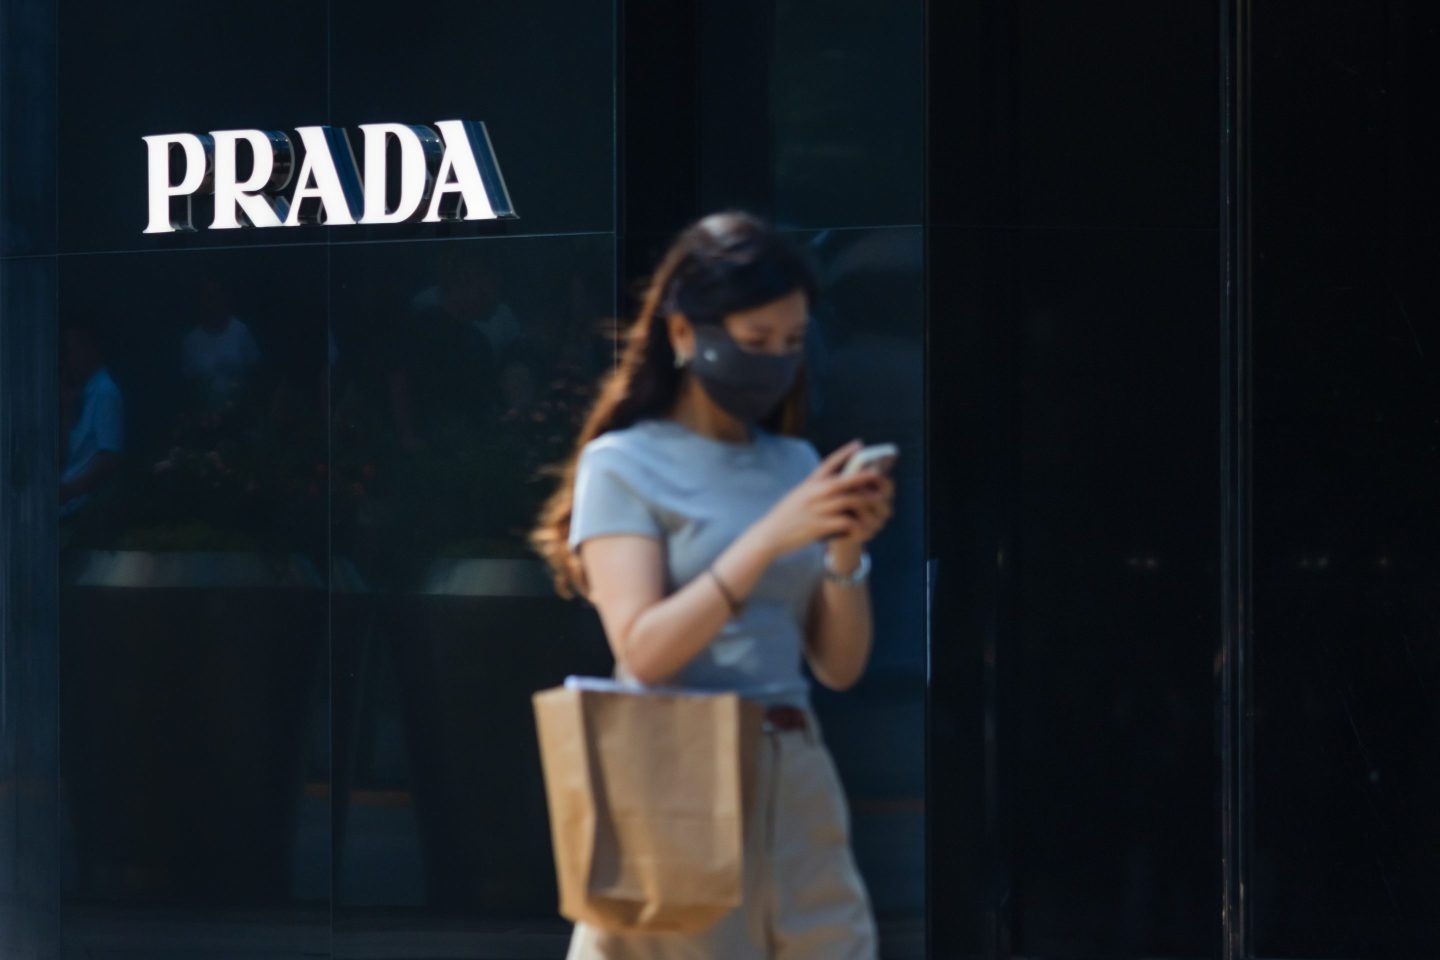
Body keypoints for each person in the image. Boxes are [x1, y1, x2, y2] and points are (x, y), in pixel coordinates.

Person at [530, 210, 895, 959]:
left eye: (793, 344)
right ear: (685, 333)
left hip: (795, 768)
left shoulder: (794, 463)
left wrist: (844, 554)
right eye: (755, 342)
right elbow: (644, 648)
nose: (774, 362)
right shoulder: (624, 464)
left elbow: (839, 666)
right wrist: (768, 539)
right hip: (679, 776)